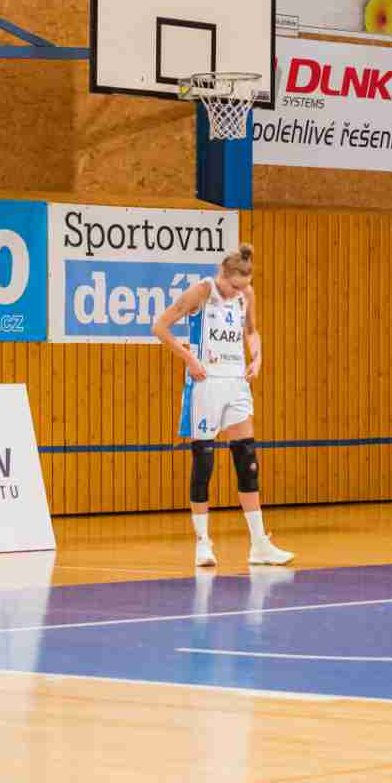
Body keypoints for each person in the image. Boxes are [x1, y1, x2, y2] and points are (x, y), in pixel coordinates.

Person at [152, 243, 293, 568]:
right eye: (234, 286)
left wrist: (257, 358)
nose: (237, 293)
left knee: (247, 459)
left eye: (243, 287)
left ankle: (259, 544)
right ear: (222, 275)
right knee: (204, 462)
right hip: (206, 383)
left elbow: (252, 332)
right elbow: (160, 326)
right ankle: (203, 543)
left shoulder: (246, 294)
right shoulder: (202, 292)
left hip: (236, 383)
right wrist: (189, 358)